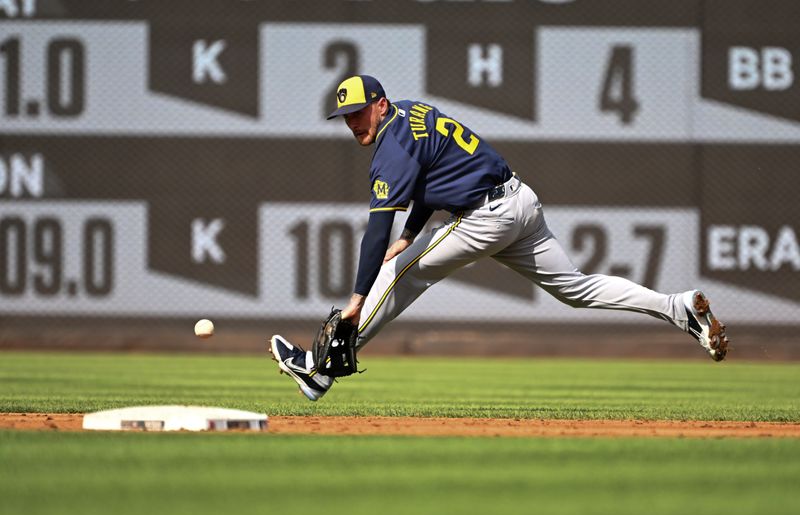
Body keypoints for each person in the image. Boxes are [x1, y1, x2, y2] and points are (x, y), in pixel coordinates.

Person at [268, 74, 729, 401]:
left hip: (487, 215)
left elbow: (374, 233)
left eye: (359, 112)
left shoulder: (390, 147)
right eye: (346, 116)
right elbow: (432, 175)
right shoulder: (413, 112)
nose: (353, 122)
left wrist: (356, 297)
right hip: (520, 200)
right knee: (574, 288)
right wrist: (412, 232)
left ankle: (318, 371)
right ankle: (679, 308)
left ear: (381, 105)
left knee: (396, 274)